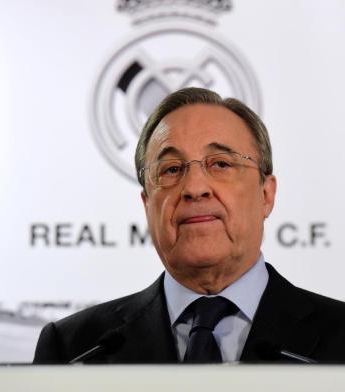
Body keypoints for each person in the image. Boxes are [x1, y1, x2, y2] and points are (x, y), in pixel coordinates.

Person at [33, 87, 345, 364]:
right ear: (147, 204)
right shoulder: (73, 350)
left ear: (266, 194)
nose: (194, 187)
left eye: (221, 163)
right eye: (171, 169)